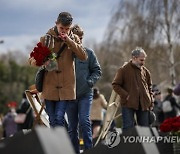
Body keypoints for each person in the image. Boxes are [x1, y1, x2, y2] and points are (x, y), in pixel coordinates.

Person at [29, 12, 87, 128]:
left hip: (66, 87)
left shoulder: (74, 38)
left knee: (59, 118)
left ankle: (61, 144)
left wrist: (69, 41)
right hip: (49, 86)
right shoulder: (46, 39)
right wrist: (41, 61)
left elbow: (83, 56)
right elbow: (31, 59)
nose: (64, 31)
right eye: (61, 28)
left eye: (67, 29)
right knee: (52, 120)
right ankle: (58, 144)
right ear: (56, 24)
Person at [66, 24, 101, 153]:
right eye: (76, 37)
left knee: (85, 121)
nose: (78, 40)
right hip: (69, 95)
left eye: (80, 37)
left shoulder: (89, 53)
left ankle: (88, 150)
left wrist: (90, 82)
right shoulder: (66, 55)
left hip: (85, 94)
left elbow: (97, 71)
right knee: (72, 127)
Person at [112, 47, 154, 131]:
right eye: (141, 60)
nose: (143, 62)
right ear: (134, 58)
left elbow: (149, 87)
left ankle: (144, 144)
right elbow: (115, 85)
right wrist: (126, 96)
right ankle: (129, 144)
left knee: (145, 130)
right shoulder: (123, 70)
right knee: (128, 129)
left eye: (144, 60)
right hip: (128, 104)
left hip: (144, 104)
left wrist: (151, 100)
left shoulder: (145, 72)